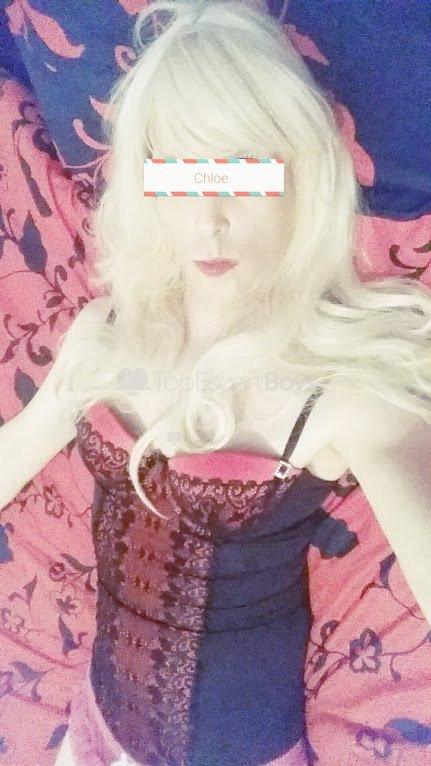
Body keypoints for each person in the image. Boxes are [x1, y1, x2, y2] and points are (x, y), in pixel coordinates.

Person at [1, 1, 431, 764]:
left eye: (244, 175)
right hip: (90, 729)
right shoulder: (107, 335)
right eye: (180, 177)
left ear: (301, 179)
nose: (210, 219)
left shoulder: (340, 392)